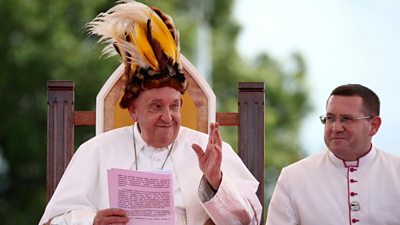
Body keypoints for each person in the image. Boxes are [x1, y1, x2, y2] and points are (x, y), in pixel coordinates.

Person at [39, 1, 262, 225]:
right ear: (133, 110)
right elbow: (53, 221)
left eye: (174, 106)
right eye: (156, 106)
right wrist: (92, 221)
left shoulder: (209, 151)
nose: (168, 117)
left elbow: (249, 220)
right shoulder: (96, 151)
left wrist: (216, 181)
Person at [266, 84, 400, 225]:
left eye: (346, 119)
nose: (335, 128)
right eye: (330, 119)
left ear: (374, 125)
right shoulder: (292, 177)